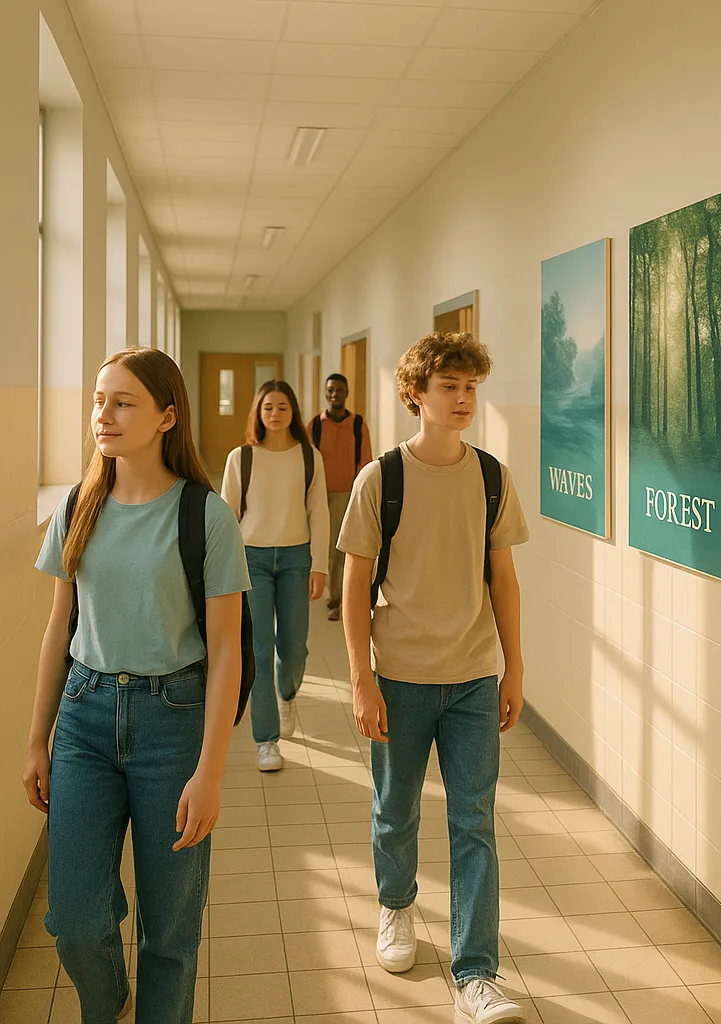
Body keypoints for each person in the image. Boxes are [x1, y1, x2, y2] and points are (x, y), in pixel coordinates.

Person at [23, 348, 250, 1024]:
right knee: (76, 921)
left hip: (172, 721)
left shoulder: (206, 516)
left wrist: (210, 771)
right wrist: (38, 741)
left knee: (169, 932)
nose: (104, 414)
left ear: (166, 417)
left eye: (123, 402)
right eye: (99, 399)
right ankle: (109, 1000)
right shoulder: (78, 505)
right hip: (85, 719)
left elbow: (227, 650)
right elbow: (58, 629)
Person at [339, 332, 529, 1024]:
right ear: (415, 393)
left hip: (475, 678)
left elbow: (503, 580)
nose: (464, 400)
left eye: (472, 387)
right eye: (449, 387)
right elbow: (355, 585)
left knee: (473, 821)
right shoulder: (380, 479)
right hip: (402, 679)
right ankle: (396, 908)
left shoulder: (491, 476)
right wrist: (362, 679)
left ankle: (476, 973)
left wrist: (514, 669)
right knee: (396, 810)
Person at [221, 380, 329, 771]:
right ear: (258, 412)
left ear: (292, 412)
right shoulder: (242, 457)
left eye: (282, 406)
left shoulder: (309, 456)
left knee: (294, 648)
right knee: (260, 651)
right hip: (253, 561)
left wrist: (320, 565)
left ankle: (288, 695)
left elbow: (319, 512)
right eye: (268, 407)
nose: (275, 413)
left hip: (297, 559)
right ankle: (266, 740)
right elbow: (226, 516)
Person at [307, 373, 372, 621]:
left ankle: (343, 600)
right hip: (320, 494)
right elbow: (307, 461)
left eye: (339, 390)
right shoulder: (314, 425)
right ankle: (334, 596)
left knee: (346, 547)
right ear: (325, 393)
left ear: (347, 393)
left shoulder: (358, 424)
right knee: (329, 547)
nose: (334, 395)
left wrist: (360, 496)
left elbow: (365, 460)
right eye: (330, 390)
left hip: (348, 494)